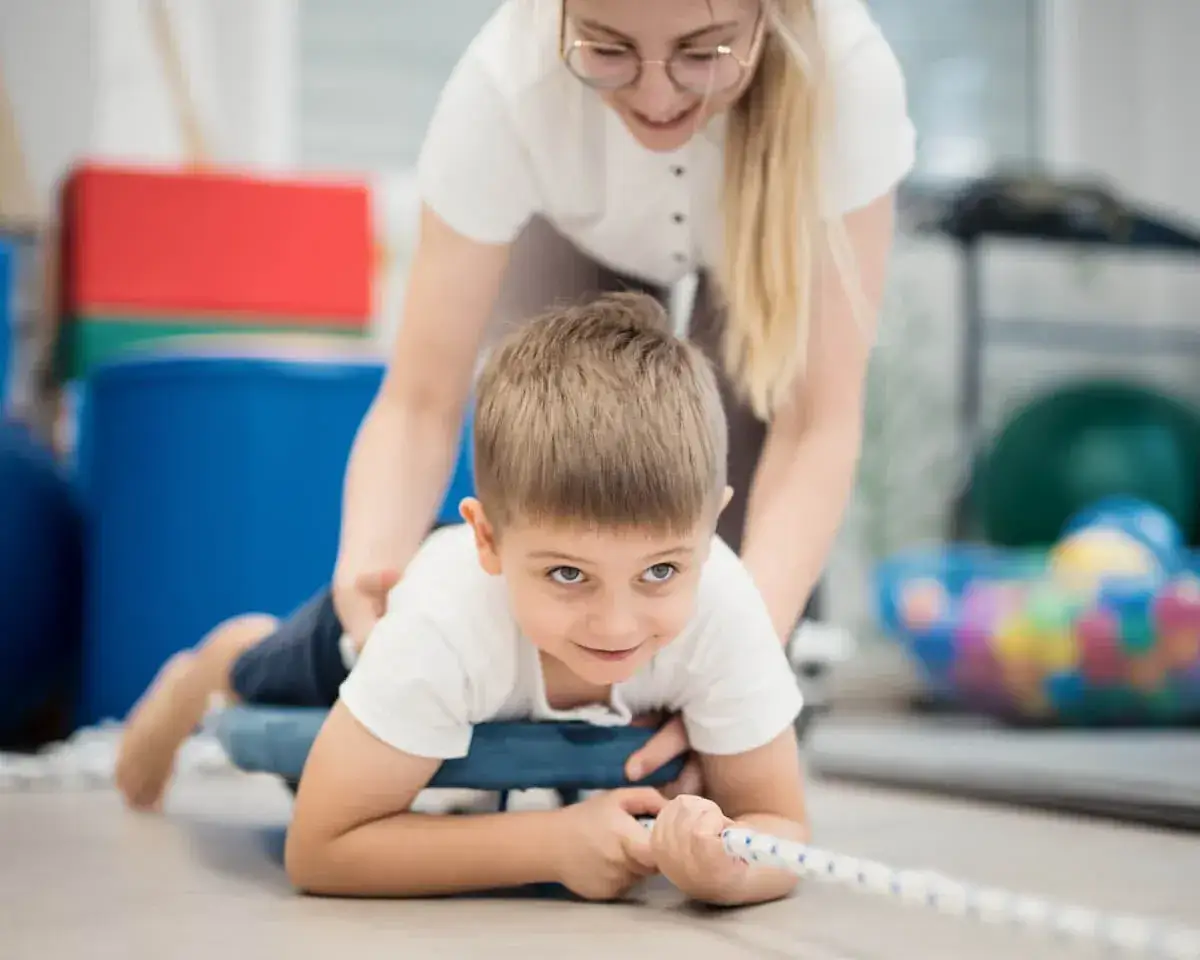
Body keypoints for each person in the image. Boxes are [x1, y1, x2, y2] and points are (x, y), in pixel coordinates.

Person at [330, 0, 915, 783]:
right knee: (552, 469)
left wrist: (740, 673)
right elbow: (419, 402)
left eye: (703, 54)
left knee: (687, 505)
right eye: (607, 51)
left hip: (759, 237)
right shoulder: (507, 83)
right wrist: (370, 576)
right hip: (569, 232)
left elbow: (817, 423)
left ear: (769, 22)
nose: (656, 96)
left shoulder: (848, 78)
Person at [119, 294, 808, 908]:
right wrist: (550, 845)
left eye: (659, 572)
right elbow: (320, 848)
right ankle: (216, 659)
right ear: (488, 540)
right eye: (569, 575)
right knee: (263, 670)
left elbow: (781, 826)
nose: (618, 625)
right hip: (361, 634)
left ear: (711, 528)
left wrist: (728, 873)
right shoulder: (440, 623)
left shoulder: (722, 599)